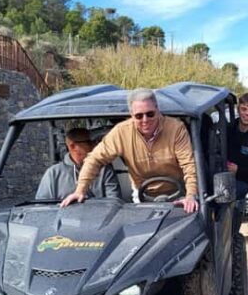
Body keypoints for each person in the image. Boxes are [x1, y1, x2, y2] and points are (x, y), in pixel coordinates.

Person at [60, 88, 199, 212]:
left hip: (179, 193)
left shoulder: (176, 129)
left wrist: (191, 195)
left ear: (157, 110)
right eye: (139, 116)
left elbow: (188, 165)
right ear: (131, 115)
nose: (145, 120)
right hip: (142, 195)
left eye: (150, 114)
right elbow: (94, 159)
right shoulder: (122, 132)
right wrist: (80, 190)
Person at [36, 128, 122, 200]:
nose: (94, 146)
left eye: (95, 142)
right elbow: (42, 207)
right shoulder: (53, 174)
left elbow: (114, 201)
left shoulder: (104, 169)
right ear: (72, 146)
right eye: (89, 142)